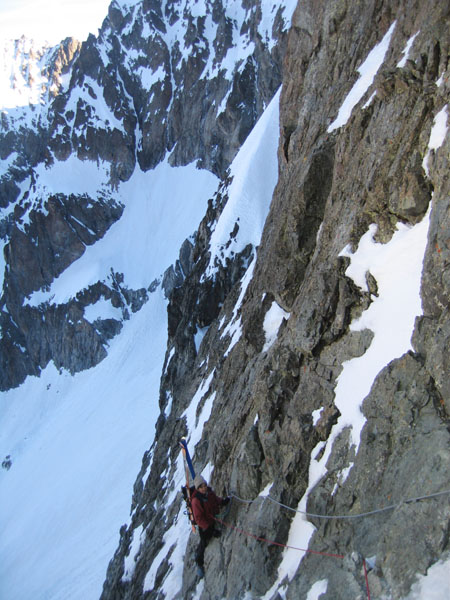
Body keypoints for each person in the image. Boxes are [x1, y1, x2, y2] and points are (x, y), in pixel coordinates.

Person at [191, 475, 230, 578]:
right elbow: (199, 519)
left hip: (212, 519)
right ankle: (199, 562)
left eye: (204, 485)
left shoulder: (209, 492)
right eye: (201, 487)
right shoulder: (196, 501)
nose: (203, 488)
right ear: (197, 488)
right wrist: (210, 530)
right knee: (204, 543)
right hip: (205, 526)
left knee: (208, 537)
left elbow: (215, 500)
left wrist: (223, 502)